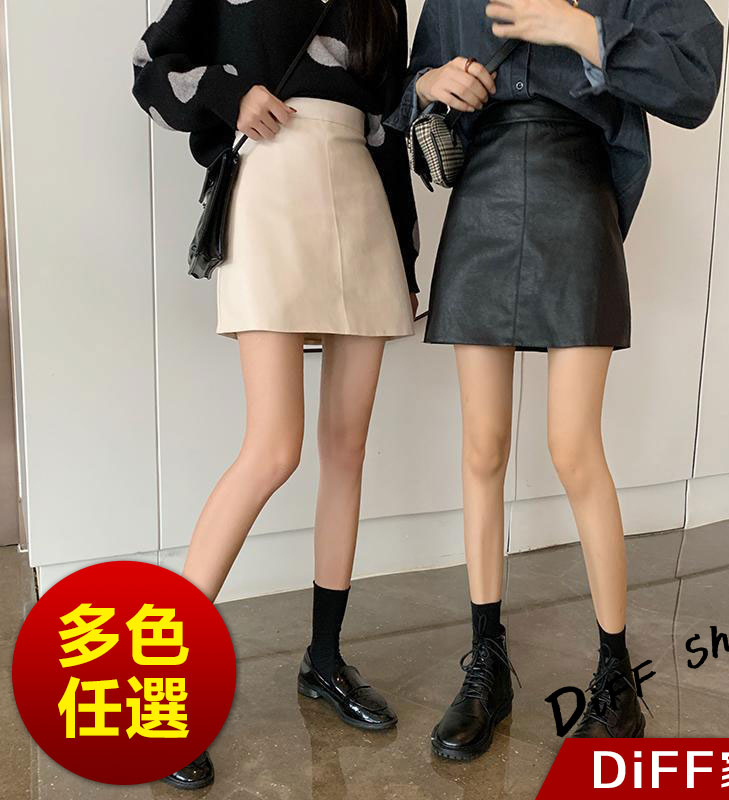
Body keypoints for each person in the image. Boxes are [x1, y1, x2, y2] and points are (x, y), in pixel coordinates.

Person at [386, 0, 723, 760]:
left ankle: (615, 677)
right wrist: (431, 85)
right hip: (481, 195)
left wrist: (585, 31)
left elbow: (696, 81)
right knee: (482, 448)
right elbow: (408, 94)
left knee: (573, 448)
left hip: (577, 190)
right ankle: (487, 664)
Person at [132, 0, 419, 788]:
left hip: (361, 196)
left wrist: (406, 254)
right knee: (273, 449)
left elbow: (389, 123)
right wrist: (232, 96)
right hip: (271, 187)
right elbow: (149, 67)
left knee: (347, 450)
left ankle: (325, 661)